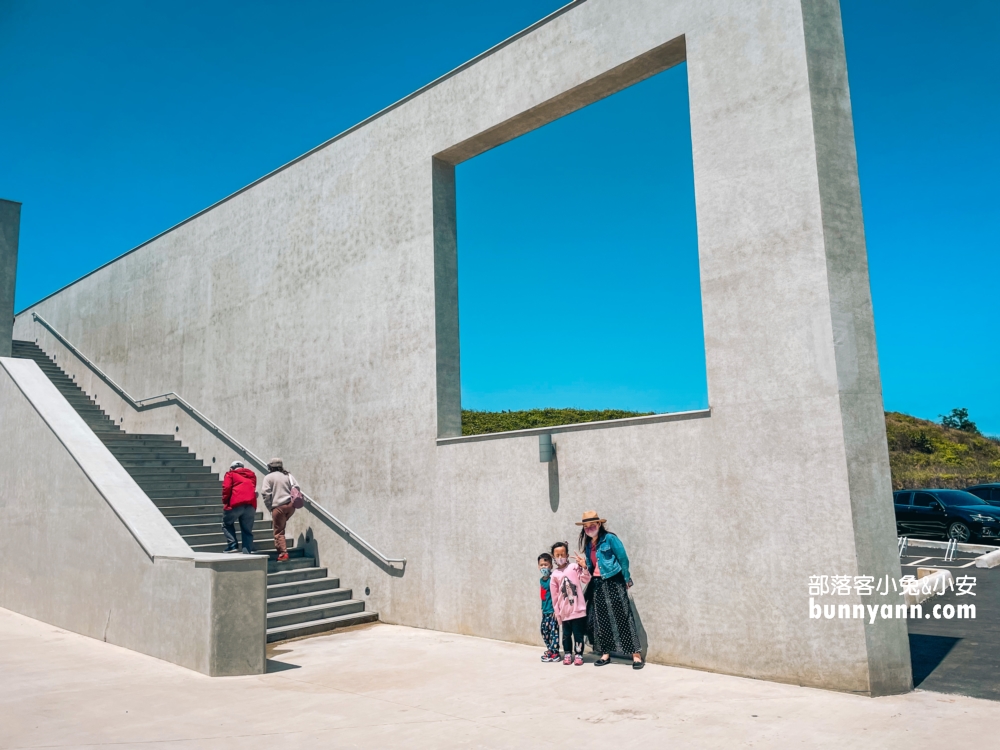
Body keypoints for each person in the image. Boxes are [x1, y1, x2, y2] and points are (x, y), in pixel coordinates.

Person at [577, 510, 643, 669]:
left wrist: (626, 578)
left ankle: (636, 655)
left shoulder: (610, 539)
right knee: (601, 620)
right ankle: (605, 653)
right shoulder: (588, 545)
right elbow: (592, 568)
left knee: (623, 616)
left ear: (599, 524)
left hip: (614, 580)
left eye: (592, 525)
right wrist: (585, 565)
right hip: (597, 584)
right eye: (586, 526)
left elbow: (623, 558)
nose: (589, 528)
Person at [549, 541, 591, 665]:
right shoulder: (554, 575)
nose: (560, 557)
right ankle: (567, 653)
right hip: (564, 612)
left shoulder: (573, 567)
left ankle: (578, 654)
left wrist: (584, 567)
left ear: (567, 555)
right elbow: (554, 596)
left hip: (577, 610)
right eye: (557, 555)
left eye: (563, 554)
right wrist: (557, 613)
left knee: (578, 635)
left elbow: (586, 579)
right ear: (553, 557)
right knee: (566, 635)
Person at [260, 458, 299, 562]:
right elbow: (297, 487)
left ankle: (283, 554)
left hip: (278, 506)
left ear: (271, 467)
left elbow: (265, 493)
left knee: (279, 531)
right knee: (282, 526)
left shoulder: (268, 477)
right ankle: (283, 550)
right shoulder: (288, 476)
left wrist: (270, 507)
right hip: (291, 506)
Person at [221, 460, 257, 554]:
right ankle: (247, 552)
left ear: (231, 468)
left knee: (226, 524)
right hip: (250, 505)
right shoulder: (251, 475)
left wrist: (225, 501)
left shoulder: (230, 474)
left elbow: (226, 488)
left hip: (235, 503)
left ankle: (232, 545)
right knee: (247, 530)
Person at [537, 553, 560, 663]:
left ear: (551, 565)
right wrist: (542, 609)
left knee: (553, 632)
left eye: (546, 564)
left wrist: (557, 609)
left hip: (553, 611)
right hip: (545, 611)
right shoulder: (542, 580)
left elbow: (558, 594)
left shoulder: (553, 578)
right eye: (541, 565)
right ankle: (550, 649)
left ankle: (555, 652)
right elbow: (543, 596)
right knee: (544, 630)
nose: (543, 567)